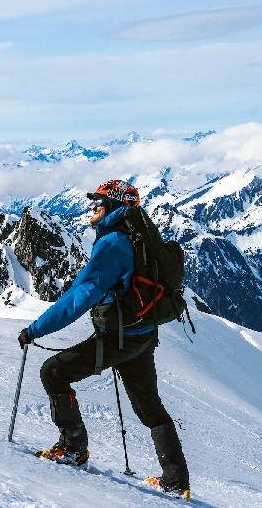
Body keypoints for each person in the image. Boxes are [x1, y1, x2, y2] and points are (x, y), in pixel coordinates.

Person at [17, 180, 190, 499]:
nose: (92, 205)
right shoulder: (139, 236)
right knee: (150, 408)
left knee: (53, 372)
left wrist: (36, 330)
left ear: (114, 205)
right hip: (142, 335)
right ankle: (176, 482)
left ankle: (72, 448)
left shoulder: (114, 243)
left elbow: (78, 299)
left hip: (118, 339)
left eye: (99, 200)